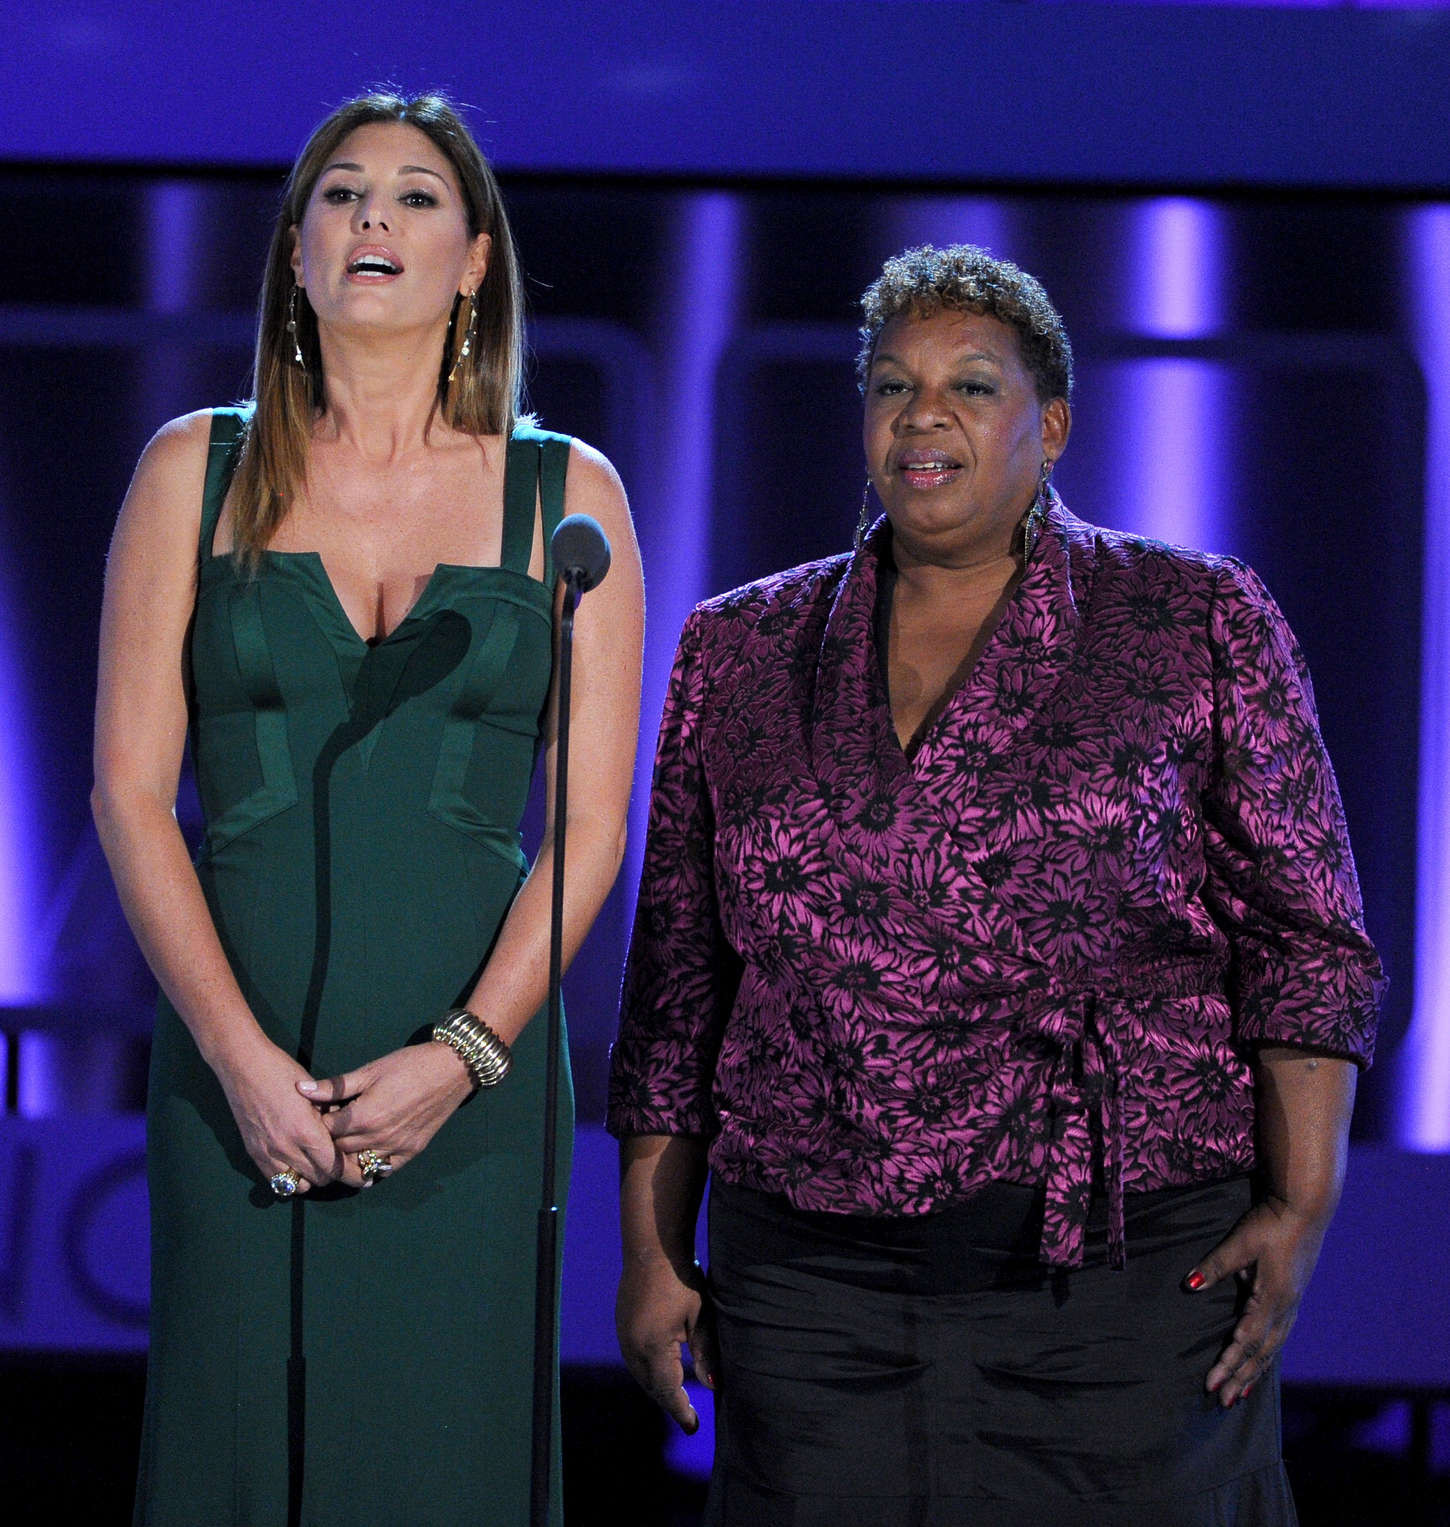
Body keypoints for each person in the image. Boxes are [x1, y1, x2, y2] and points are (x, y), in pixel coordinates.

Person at [608, 243, 1382, 1525]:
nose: (923, 415)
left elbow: (1306, 938)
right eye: (892, 385)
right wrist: (647, 1251)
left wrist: (1301, 1203)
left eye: (970, 386)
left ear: (1053, 424)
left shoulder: (1191, 617)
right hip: (810, 1290)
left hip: (1121, 1281)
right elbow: (680, 982)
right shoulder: (738, 648)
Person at [93, 91, 643, 1527]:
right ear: (293, 251)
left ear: (473, 261)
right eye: (339, 195)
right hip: (237, 1063)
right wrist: (236, 1057)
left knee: (444, 1457)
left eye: (412, 196)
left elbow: (589, 825)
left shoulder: (566, 495)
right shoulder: (188, 472)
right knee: (233, 1443)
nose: (371, 221)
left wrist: (463, 1054)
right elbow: (128, 794)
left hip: (472, 1076)